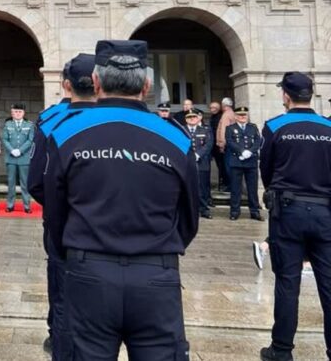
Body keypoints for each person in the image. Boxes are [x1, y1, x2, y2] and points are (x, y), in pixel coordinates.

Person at [45, 40, 199, 360]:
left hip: (88, 271)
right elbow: (189, 217)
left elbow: (54, 211)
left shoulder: (65, 133)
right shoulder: (175, 137)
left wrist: (75, 252)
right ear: (146, 86)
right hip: (156, 274)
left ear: (97, 83)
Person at [259, 72, 331, 361]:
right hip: (325, 212)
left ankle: (281, 350)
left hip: (287, 212)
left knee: (288, 283)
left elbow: (266, 170)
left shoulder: (275, 126)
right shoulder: (328, 128)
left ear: (286, 96)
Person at [28, 53, 96, 361]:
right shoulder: (112, 117)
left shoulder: (50, 119)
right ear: (98, 82)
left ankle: (57, 336)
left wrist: (58, 208)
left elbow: (36, 182)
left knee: (60, 283)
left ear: (64, 84)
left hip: (59, 220)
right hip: (100, 220)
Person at [226, 105, 262, 221]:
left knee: (252, 188)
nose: (242, 117)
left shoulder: (253, 127)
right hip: (237, 161)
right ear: (236, 117)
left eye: (244, 115)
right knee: (235, 188)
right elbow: (230, 142)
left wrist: (250, 152)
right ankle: (235, 211)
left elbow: (258, 141)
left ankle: (255, 211)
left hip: (251, 161)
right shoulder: (230, 128)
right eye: (240, 115)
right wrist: (241, 151)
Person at [3, 103, 35, 213]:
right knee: (11, 183)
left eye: (20, 112)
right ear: (12, 113)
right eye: (15, 112)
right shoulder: (8, 124)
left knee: (25, 183)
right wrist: (12, 150)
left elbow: (30, 140)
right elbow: (5, 139)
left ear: (23, 113)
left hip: (24, 158)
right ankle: (10, 205)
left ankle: (27, 206)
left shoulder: (30, 125)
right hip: (11, 157)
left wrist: (20, 150)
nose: (17, 114)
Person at [185, 108, 214, 219]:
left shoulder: (205, 130)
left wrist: (198, 155)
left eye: (194, 117)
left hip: (201, 162)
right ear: (186, 119)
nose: (192, 119)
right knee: (187, 187)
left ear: (198, 118)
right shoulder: (181, 130)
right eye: (189, 117)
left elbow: (208, 144)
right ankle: (188, 210)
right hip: (186, 162)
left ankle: (204, 209)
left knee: (202, 188)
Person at [216, 96, 237, 191]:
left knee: (228, 166)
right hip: (233, 143)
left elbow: (224, 129)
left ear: (224, 105)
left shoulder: (226, 115)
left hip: (228, 144)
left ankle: (232, 186)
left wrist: (221, 143)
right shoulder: (233, 113)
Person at [208, 101, 226, 191]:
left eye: (214, 108)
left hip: (219, 145)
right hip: (213, 145)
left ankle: (223, 183)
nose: (212, 109)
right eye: (211, 108)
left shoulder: (220, 117)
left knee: (222, 165)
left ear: (219, 108)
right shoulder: (212, 117)